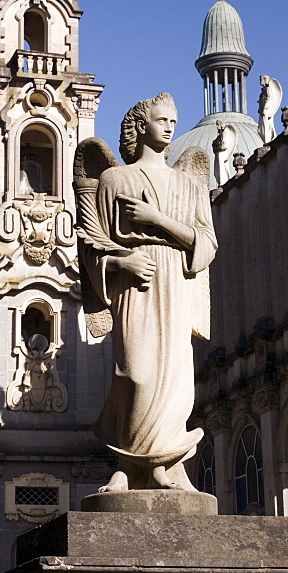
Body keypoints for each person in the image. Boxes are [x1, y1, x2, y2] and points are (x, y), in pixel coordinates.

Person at [80, 92, 217, 492]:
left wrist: (157, 220)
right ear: (141, 127)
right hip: (133, 284)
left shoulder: (187, 183)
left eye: (175, 120)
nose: (172, 126)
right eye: (163, 119)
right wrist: (120, 263)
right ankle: (126, 464)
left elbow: (207, 244)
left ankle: (167, 467)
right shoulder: (114, 180)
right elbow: (90, 242)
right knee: (135, 373)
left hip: (176, 280)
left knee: (175, 378)